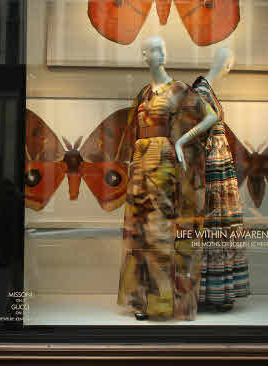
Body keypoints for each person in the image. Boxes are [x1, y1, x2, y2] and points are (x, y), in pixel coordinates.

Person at [117, 36, 218, 321]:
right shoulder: (143, 94)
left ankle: (163, 303)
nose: (161, 53)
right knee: (139, 232)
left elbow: (211, 116)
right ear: (144, 56)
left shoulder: (179, 90)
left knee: (159, 230)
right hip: (139, 163)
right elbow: (133, 131)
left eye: (163, 48)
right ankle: (142, 301)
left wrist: (180, 142)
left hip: (163, 165)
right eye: (154, 50)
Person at [193, 48, 249, 312]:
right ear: (226, 64)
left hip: (219, 166)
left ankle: (219, 291)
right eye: (230, 64)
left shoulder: (206, 91)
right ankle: (210, 292)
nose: (230, 69)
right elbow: (194, 132)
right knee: (214, 225)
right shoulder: (201, 92)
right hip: (212, 167)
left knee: (221, 225)